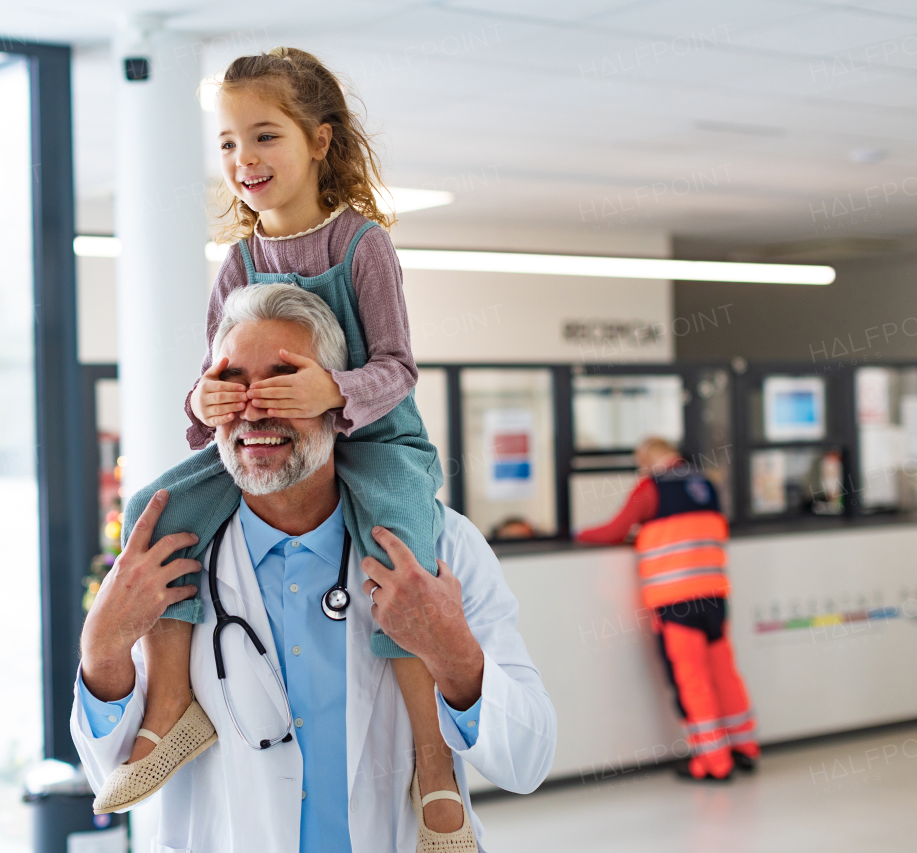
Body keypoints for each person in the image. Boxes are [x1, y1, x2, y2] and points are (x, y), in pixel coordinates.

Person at [99, 47, 473, 842]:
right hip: (262, 444)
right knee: (152, 510)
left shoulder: (359, 245)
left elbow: (399, 368)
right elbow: (209, 401)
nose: (244, 160)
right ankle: (170, 706)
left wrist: (331, 392)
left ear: (321, 142)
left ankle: (433, 761)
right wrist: (205, 398)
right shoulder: (236, 262)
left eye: (264, 137)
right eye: (229, 143)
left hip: (373, 440)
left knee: (396, 551)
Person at [73, 285, 556, 852]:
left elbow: (527, 760)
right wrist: (102, 651)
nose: (254, 406)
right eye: (233, 384)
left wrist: (452, 654)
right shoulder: (169, 556)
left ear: (338, 399)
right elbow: (111, 771)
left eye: (284, 383)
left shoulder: (441, 547)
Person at [577, 437, 759, 781]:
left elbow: (615, 530)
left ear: (647, 459)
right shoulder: (707, 483)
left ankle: (715, 763)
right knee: (725, 673)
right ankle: (745, 748)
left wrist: (575, 532)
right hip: (715, 596)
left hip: (676, 601)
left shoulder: (650, 487)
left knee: (692, 680)